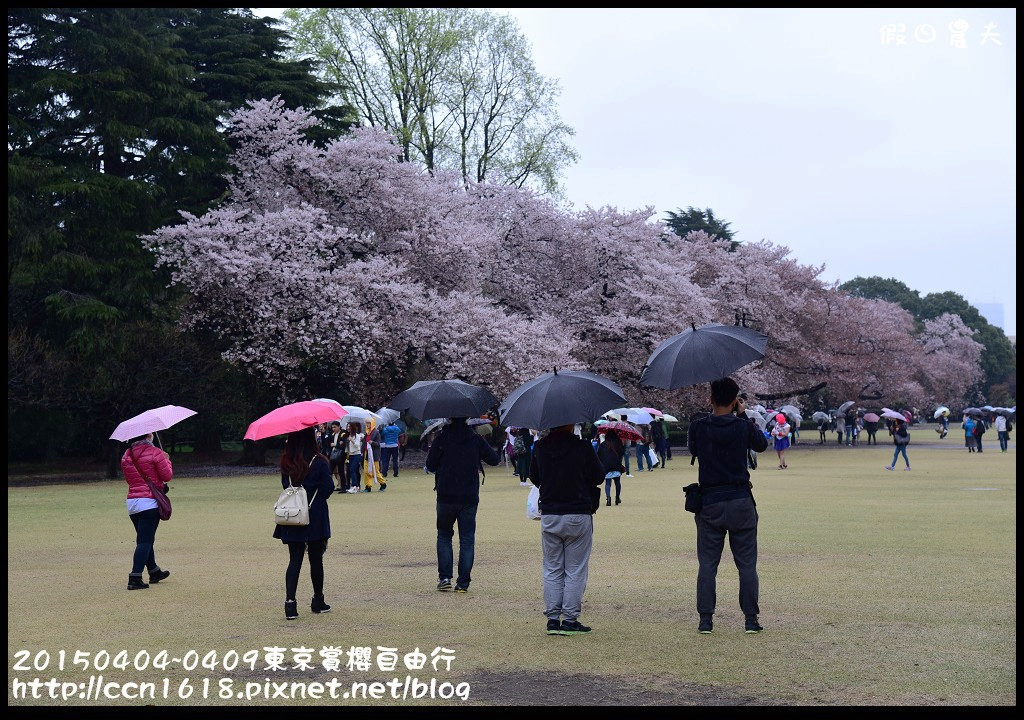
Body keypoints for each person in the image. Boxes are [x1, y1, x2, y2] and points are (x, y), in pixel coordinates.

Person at [686, 377, 770, 634]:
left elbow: (693, 450)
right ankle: (750, 619)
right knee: (746, 564)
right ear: (735, 401)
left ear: (710, 399)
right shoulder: (742, 426)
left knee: (708, 564)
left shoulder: (698, 427)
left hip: (710, 502)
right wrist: (743, 416)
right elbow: (761, 445)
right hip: (741, 501)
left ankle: (706, 619)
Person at [530, 421, 605, 636]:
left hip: (550, 513)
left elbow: (535, 477)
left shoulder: (541, 447)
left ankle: (553, 618)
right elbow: (598, 476)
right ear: (571, 423)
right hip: (578, 512)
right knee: (575, 568)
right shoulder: (582, 447)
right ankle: (570, 619)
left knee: (552, 568)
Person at [425, 417, 500, 593]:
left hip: (446, 495)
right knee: (467, 539)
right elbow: (494, 460)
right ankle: (463, 583)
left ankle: (444, 577)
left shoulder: (441, 439)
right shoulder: (475, 439)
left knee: (444, 535)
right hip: (468, 496)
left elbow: (430, 465)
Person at [274, 427, 334, 620]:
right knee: (316, 559)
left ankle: (290, 603)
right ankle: (318, 600)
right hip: (314, 514)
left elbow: (286, 486)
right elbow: (327, 489)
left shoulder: (286, 462)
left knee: (295, 559)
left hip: (293, 513)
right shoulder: (320, 461)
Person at [121, 433, 173, 590]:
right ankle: (135, 577)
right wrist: (167, 460)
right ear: (148, 435)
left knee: (146, 538)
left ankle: (154, 571)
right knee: (144, 541)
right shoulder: (156, 452)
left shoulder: (127, 454)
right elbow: (167, 476)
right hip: (148, 502)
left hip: (132, 503)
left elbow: (131, 479)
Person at [597, 430, 626, 506]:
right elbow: (622, 453)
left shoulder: (603, 444)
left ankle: (608, 498)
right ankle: (617, 498)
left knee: (608, 483)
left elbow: (599, 455)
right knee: (617, 482)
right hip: (616, 465)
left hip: (606, 466)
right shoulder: (618, 443)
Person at [346, 422, 365, 491]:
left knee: (352, 469)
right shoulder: (349, 436)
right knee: (353, 470)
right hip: (351, 455)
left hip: (357, 454)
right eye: (347, 426)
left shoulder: (357, 436)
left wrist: (352, 440)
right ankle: (356, 485)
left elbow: (357, 446)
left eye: (349, 426)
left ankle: (355, 485)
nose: (348, 428)